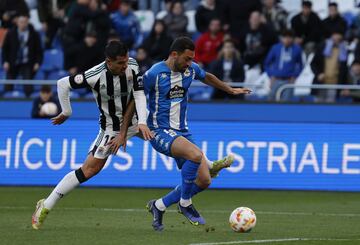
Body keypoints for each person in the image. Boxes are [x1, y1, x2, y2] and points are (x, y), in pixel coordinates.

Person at [31, 40, 153, 230]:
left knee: (168, 141)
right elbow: (62, 83)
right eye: (120, 63)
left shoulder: (133, 66)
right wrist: (67, 112)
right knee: (89, 170)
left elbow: (138, 94)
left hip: (137, 122)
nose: (125, 66)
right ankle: (45, 205)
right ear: (109, 62)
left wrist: (143, 123)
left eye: (126, 61)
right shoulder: (94, 75)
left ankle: (206, 165)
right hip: (111, 129)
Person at [144, 37, 251, 231]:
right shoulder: (154, 74)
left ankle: (158, 205)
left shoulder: (190, 69)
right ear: (174, 55)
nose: (189, 63)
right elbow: (135, 96)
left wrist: (229, 89)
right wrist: (131, 127)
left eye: (192, 59)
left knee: (204, 180)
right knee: (195, 155)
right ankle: (185, 203)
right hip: (159, 130)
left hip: (182, 131)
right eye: (186, 59)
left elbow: (207, 76)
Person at [2, 14, 43, 97]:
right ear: (17, 23)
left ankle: (29, 100)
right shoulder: (10, 33)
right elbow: (5, 49)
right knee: (8, 84)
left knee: (28, 84)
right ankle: (6, 100)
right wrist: (5, 62)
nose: (23, 24)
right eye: (21, 22)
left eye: (25, 22)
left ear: (27, 23)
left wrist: (37, 63)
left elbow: (39, 51)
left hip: (27, 63)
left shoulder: (34, 34)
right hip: (13, 62)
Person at [265, 29, 303, 101]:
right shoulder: (275, 48)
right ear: (281, 38)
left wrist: (295, 76)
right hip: (276, 79)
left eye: (289, 37)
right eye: (285, 37)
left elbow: (300, 65)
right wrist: (271, 76)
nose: (287, 40)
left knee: (286, 103)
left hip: (288, 81)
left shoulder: (297, 49)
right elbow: (267, 63)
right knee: (270, 101)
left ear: (293, 38)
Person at [310, 30, 348, 103]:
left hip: (334, 84)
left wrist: (345, 86)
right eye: (335, 35)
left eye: (339, 36)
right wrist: (318, 74)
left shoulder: (343, 50)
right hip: (321, 83)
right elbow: (313, 64)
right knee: (317, 107)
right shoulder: (322, 47)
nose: (337, 37)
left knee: (330, 108)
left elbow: (344, 70)